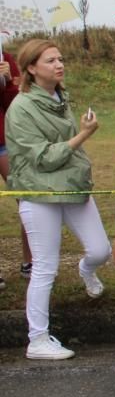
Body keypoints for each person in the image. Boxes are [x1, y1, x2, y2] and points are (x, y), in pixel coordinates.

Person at [5, 39, 111, 360]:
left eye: (60, 59)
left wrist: (77, 134)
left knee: (101, 250)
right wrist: (83, 135)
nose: (59, 64)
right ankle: (37, 340)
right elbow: (43, 157)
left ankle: (85, 269)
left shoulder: (59, 97)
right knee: (44, 268)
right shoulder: (21, 107)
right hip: (39, 194)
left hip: (72, 186)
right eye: (50, 60)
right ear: (31, 69)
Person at [1, 43, 32, 289]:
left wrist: (8, 82)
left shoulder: (5, 58)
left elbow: (14, 102)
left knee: (26, 197)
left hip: (3, 140)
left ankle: (30, 261)